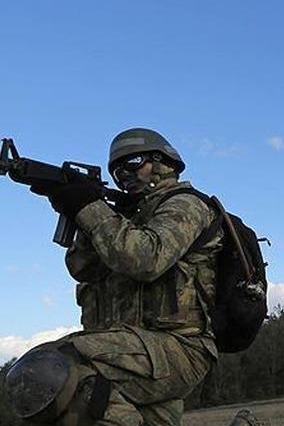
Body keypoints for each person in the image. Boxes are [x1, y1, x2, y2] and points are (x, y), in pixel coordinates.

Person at [4, 128, 259, 425]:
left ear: (164, 162)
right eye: (116, 170)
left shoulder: (186, 205)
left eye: (133, 162)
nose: (124, 174)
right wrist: (84, 213)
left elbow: (145, 259)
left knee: (49, 368)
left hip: (177, 348)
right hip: (136, 350)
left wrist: (90, 208)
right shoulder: (127, 219)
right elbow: (83, 268)